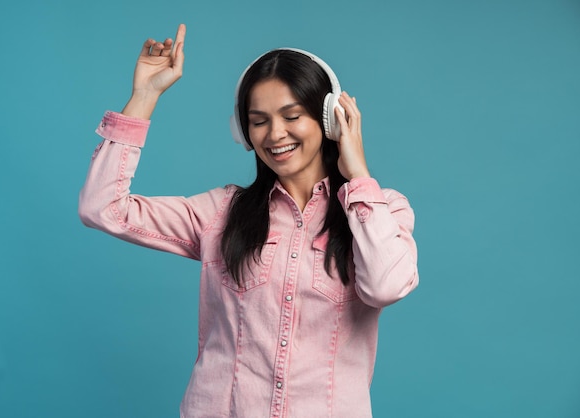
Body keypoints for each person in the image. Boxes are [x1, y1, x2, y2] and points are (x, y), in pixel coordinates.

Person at [79, 23, 418, 418]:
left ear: (329, 120)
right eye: (259, 121)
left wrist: (358, 174)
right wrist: (144, 96)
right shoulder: (220, 213)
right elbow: (101, 207)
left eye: (292, 116)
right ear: (244, 131)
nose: (275, 134)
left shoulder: (381, 210)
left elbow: (385, 287)